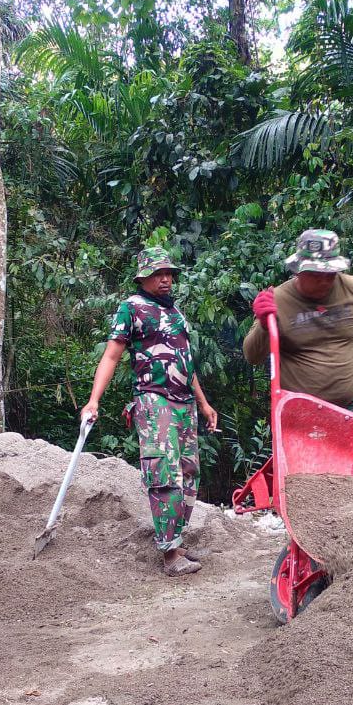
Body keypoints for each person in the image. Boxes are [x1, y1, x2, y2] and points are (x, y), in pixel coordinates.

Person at [81, 246, 219, 577]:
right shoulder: (132, 308)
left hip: (185, 404)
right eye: (159, 274)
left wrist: (203, 401)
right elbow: (112, 356)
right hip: (155, 401)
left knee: (188, 473)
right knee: (164, 474)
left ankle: (176, 540)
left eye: (169, 273)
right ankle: (170, 554)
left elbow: (186, 363)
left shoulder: (176, 314)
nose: (166, 279)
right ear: (143, 278)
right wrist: (93, 400)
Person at [243, 229, 353, 432]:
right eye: (315, 274)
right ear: (298, 270)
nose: (324, 281)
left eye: (329, 274)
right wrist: (265, 325)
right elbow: (252, 356)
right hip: (301, 411)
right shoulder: (279, 299)